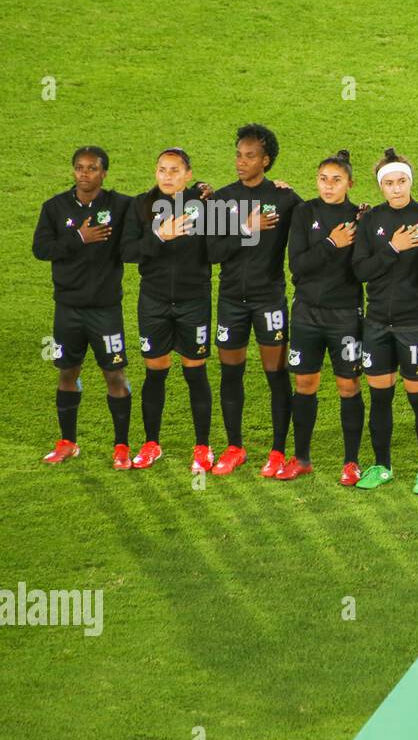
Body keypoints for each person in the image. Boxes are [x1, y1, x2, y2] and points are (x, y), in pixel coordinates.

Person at [206, 123, 304, 478]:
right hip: (231, 299)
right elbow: (213, 252)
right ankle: (235, 447)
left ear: (266, 161)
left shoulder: (284, 199)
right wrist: (246, 228)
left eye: (250, 156)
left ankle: (278, 452)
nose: (241, 162)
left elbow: (314, 223)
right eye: (238, 154)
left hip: (269, 299)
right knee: (231, 374)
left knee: (276, 376)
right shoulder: (221, 198)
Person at [33, 146, 134, 469]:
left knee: (114, 375)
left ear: (104, 173)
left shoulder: (120, 206)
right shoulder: (54, 207)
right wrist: (79, 237)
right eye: (80, 167)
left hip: (105, 309)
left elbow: (155, 202)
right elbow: (41, 248)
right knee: (67, 371)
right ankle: (67, 442)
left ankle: (121, 446)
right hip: (68, 308)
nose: (84, 173)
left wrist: (200, 190)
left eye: (92, 168)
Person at [350, 148, 418, 493]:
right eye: (389, 183)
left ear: (410, 181)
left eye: (401, 181)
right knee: (380, 397)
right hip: (376, 323)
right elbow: (360, 270)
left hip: (413, 322)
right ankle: (381, 465)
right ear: (380, 187)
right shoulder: (371, 221)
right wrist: (393, 248)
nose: (396, 188)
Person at [120, 148, 215, 472]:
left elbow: (218, 249)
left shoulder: (204, 205)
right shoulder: (140, 206)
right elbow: (127, 251)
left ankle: (202, 447)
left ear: (188, 174)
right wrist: (159, 235)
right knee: (155, 373)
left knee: (195, 373)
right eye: (162, 169)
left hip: (193, 301)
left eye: (175, 170)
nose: (168, 176)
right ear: (155, 172)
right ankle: (151, 444)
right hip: (154, 301)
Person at [281, 149, 368, 484]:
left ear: (349, 183)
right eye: (323, 179)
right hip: (306, 313)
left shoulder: (360, 218)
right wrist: (332, 244)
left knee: (349, 385)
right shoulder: (305, 213)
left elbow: (361, 270)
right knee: (304, 384)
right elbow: (297, 266)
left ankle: (351, 462)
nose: (328, 186)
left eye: (336, 180)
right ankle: (302, 457)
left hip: (345, 315)